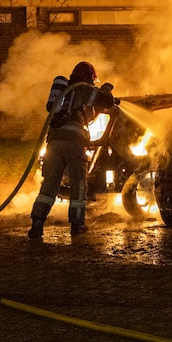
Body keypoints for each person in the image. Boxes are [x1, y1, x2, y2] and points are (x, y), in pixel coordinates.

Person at [28, 61, 118, 240]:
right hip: (73, 143)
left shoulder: (65, 92)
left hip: (53, 142)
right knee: (79, 182)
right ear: (89, 77)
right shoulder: (83, 88)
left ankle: (37, 224)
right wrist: (107, 88)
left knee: (50, 184)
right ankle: (77, 224)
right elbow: (105, 100)